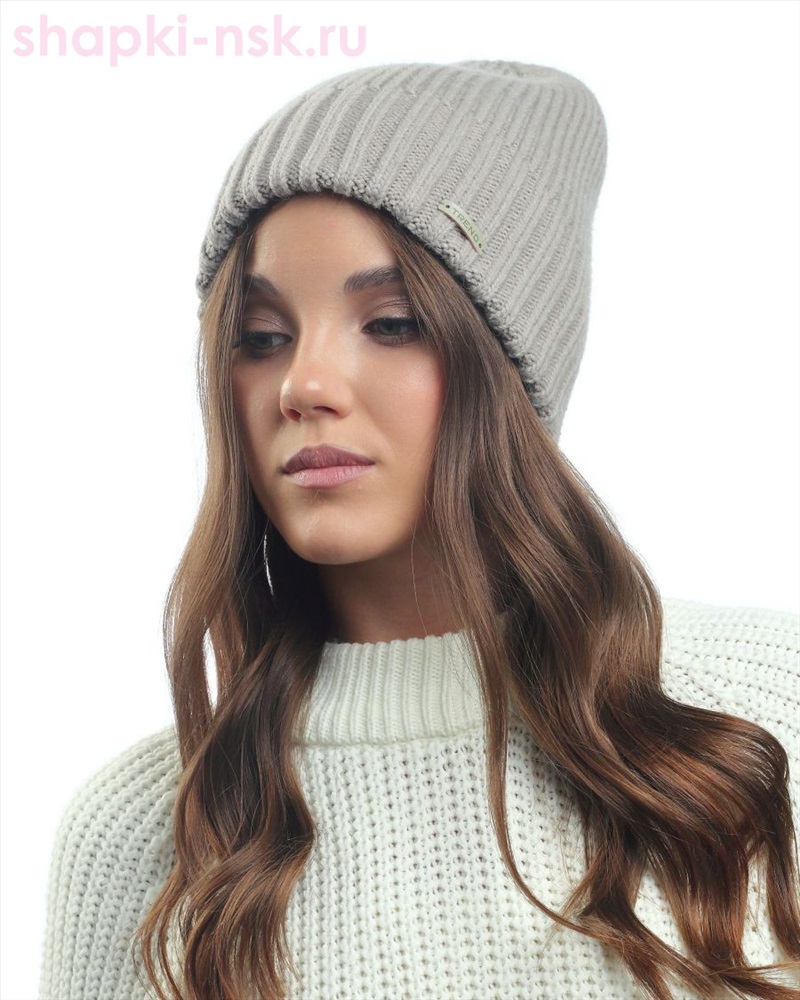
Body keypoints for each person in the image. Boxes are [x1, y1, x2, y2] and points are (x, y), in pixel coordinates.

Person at [38, 61, 799, 1000]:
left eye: (391, 323)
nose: (302, 384)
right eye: (262, 337)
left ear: (508, 368)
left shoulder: (763, 718)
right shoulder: (143, 835)